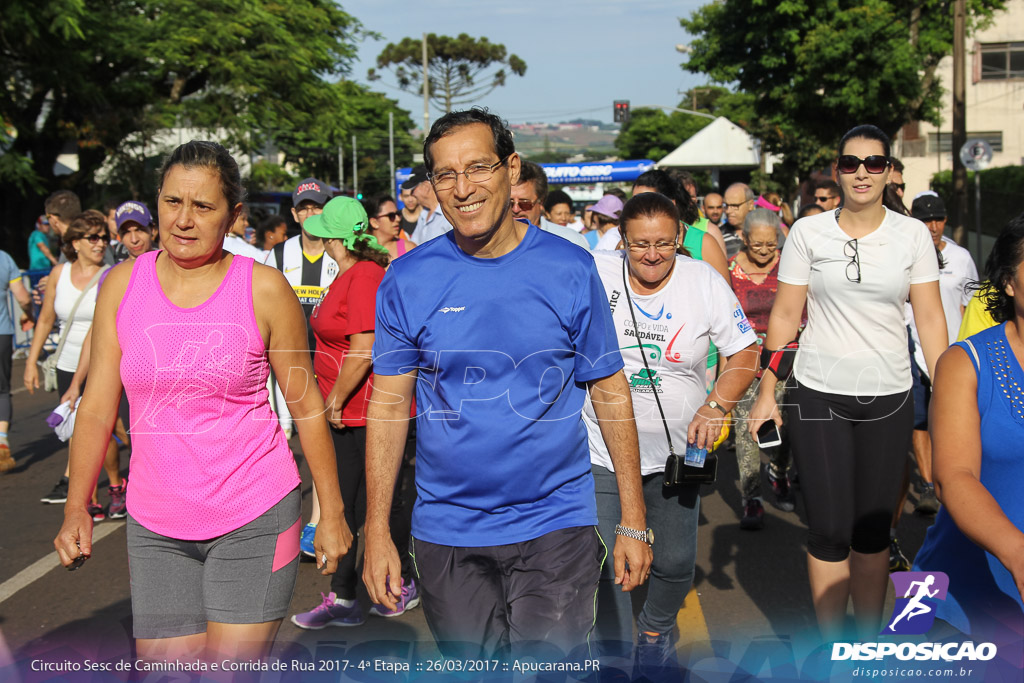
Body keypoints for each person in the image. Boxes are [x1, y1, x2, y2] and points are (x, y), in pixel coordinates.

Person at [363, 108, 652, 661]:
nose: (463, 188)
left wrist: (633, 519)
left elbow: (610, 389)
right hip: (447, 529)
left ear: (510, 168)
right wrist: (379, 529)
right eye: (445, 175)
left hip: (556, 524)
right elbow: (389, 405)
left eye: (478, 167)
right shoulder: (406, 279)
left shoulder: (570, 268)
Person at [52, 140, 351, 664]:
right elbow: (98, 406)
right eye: (172, 203)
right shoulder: (122, 286)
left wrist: (331, 513)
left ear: (234, 215)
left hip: (255, 512)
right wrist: (78, 506)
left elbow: (306, 407)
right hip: (156, 523)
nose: (184, 220)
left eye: (203, 207)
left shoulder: (263, 289)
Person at [748, 124, 948, 641]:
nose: (862, 173)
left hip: (890, 394)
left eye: (874, 163)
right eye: (851, 163)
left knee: (873, 530)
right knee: (830, 528)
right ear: (836, 170)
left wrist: (949, 396)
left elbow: (929, 320)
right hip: (818, 392)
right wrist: (767, 389)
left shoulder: (910, 237)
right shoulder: (809, 233)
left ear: (889, 172)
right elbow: (787, 312)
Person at [587, 192, 758, 675]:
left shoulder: (702, 281)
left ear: (680, 238)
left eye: (664, 243)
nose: (652, 254)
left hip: (681, 453)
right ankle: (617, 653)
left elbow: (745, 354)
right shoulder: (596, 273)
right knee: (606, 560)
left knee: (676, 561)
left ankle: (655, 629)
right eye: (640, 244)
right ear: (621, 241)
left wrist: (717, 404)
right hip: (601, 448)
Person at [289, 197, 420, 627]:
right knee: (351, 506)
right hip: (350, 411)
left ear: (337, 237)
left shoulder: (363, 275)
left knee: (371, 507)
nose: (316, 233)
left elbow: (364, 350)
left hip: (362, 412)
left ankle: (391, 585)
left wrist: (333, 400)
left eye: (324, 228)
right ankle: (348, 597)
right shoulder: (350, 273)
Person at [912, 214, 1024, 664]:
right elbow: (953, 477)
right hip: (956, 600)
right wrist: (1018, 554)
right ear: (1009, 284)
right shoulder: (966, 362)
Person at [24, 210, 118, 517]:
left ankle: (117, 483)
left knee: (107, 429)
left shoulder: (112, 274)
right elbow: (46, 319)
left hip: (105, 362)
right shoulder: (58, 275)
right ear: (75, 243)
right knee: (77, 430)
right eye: (93, 237)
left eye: (104, 237)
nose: (100, 243)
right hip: (67, 363)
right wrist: (30, 361)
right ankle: (88, 497)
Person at [906, 194, 978, 516]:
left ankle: (955, 477)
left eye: (939, 219)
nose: (933, 227)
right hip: (911, 350)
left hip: (952, 353)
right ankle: (927, 484)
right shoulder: (904, 253)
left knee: (951, 419)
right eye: (926, 220)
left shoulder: (961, 258)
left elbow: (971, 306)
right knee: (919, 421)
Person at [728, 208, 800, 529]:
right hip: (743, 359)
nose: (764, 252)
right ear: (744, 239)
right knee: (745, 430)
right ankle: (752, 498)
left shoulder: (790, 268)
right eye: (757, 245)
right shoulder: (729, 270)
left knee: (786, 427)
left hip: (784, 360)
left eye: (771, 246)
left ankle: (780, 471)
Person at [265, 177, 339, 445]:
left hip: (330, 354)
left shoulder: (339, 250)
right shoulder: (279, 254)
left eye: (316, 207)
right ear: (295, 214)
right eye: (304, 208)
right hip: (290, 354)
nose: (310, 214)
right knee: (287, 431)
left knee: (326, 428)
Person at [1, 250, 33, 472]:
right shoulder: (4, 258)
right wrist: (27, 313)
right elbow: (22, 297)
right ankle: (2, 440)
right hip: (1, 334)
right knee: (2, 390)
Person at [511, 160, 589, 249]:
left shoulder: (570, 241)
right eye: (509, 203)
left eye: (524, 203)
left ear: (541, 202)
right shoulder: (492, 242)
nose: (515, 209)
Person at [405, 166, 453, 244]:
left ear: (426, 186)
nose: (412, 195)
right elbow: (413, 245)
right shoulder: (423, 215)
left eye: (413, 190)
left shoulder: (449, 214)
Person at [364, 194, 418, 260]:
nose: (398, 219)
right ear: (374, 222)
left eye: (398, 214)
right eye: (391, 216)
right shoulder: (361, 252)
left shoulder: (410, 250)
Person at [722, 183, 755, 260]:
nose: (728, 211)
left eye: (735, 206)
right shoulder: (719, 236)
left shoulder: (766, 231)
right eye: (726, 205)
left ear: (750, 204)